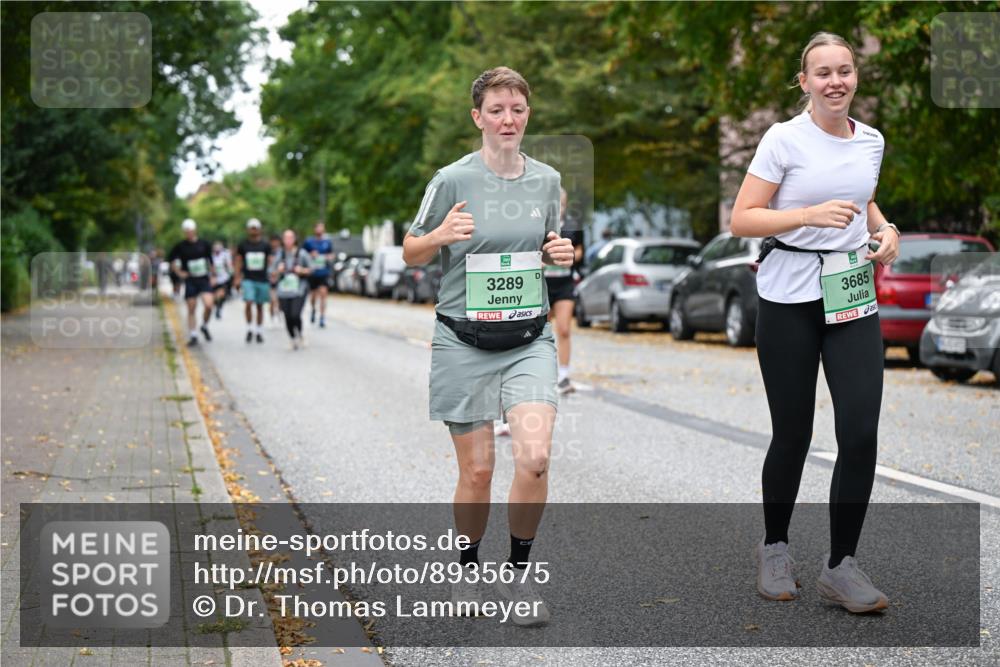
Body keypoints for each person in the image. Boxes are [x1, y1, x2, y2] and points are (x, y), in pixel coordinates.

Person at [730, 32, 900, 614]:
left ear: (856, 77)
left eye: (845, 71)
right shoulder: (783, 139)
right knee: (794, 433)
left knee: (859, 432)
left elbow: (865, 198)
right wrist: (807, 216)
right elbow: (742, 218)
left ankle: (841, 566)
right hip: (788, 298)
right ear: (804, 82)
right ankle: (775, 547)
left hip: (851, 294)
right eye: (822, 72)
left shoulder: (871, 140)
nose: (835, 82)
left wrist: (886, 228)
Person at [402, 66, 574, 626]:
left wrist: (559, 254)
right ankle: (468, 568)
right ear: (478, 117)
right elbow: (411, 251)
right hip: (463, 340)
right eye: (496, 110)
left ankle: (520, 577)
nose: (508, 119)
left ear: (528, 115)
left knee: (536, 458)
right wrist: (438, 237)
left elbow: (546, 247)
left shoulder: (547, 181)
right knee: (477, 473)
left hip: (528, 339)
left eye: (517, 109)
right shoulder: (451, 179)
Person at [544, 187, 585, 394]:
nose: (558, 207)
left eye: (561, 203)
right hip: (542, 284)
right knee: (542, 332)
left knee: (564, 329)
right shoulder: (538, 226)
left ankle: (564, 376)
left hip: (564, 284)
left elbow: (579, 251)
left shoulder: (572, 226)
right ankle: (543, 374)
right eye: (554, 203)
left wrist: (568, 256)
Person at [168, 219, 216, 346]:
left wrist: (213, 276)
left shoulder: (204, 244)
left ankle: (204, 325)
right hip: (190, 280)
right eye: (186, 231)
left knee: (209, 305)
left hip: (204, 279)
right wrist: (179, 272)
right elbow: (171, 261)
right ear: (184, 232)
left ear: (195, 230)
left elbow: (210, 261)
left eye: (191, 230)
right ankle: (193, 335)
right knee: (191, 307)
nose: (189, 233)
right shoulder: (180, 246)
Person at [269, 229, 312, 350]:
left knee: (295, 314)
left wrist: (302, 270)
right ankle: (292, 338)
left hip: (299, 289)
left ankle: (300, 333)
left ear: (294, 239)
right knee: (287, 316)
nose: (288, 240)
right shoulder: (279, 254)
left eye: (290, 237)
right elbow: (271, 272)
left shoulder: (302, 253)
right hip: (283, 291)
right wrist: (278, 270)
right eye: (286, 238)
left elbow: (311, 269)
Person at [234, 218, 271, 344]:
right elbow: (238, 261)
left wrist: (272, 275)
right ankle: (249, 328)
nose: (254, 230)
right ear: (248, 229)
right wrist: (237, 278)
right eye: (251, 228)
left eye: (256, 228)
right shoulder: (243, 245)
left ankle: (259, 330)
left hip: (262, 279)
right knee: (249, 302)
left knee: (260, 306)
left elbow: (270, 261)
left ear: (259, 229)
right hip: (248, 278)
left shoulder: (265, 245)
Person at [303, 221, 334, 327]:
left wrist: (328, 257)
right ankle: (313, 309)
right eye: (318, 228)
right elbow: (302, 255)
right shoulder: (309, 242)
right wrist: (310, 254)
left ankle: (322, 317)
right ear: (315, 229)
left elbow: (331, 254)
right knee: (313, 296)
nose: (320, 230)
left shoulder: (327, 242)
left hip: (323, 272)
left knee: (323, 294)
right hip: (312, 273)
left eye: (322, 228)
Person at [211, 241, 234, 319]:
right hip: (213, 279)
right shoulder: (210, 255)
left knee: (222, 294)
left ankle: (219, 308)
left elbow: (229, 265)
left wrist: (230, 271)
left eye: (219, 247)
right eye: (215, 247)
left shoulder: (225, 255)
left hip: (223, 278)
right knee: (214, 297)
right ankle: (216, 306)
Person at [268, 234, 282, 327]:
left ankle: (278, 313)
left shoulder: (282, 252)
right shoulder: (268, 251)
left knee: (279, 299)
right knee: (272, 300)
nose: (275, 243)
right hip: (270, 278)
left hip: (280, 278)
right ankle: (272, 316)